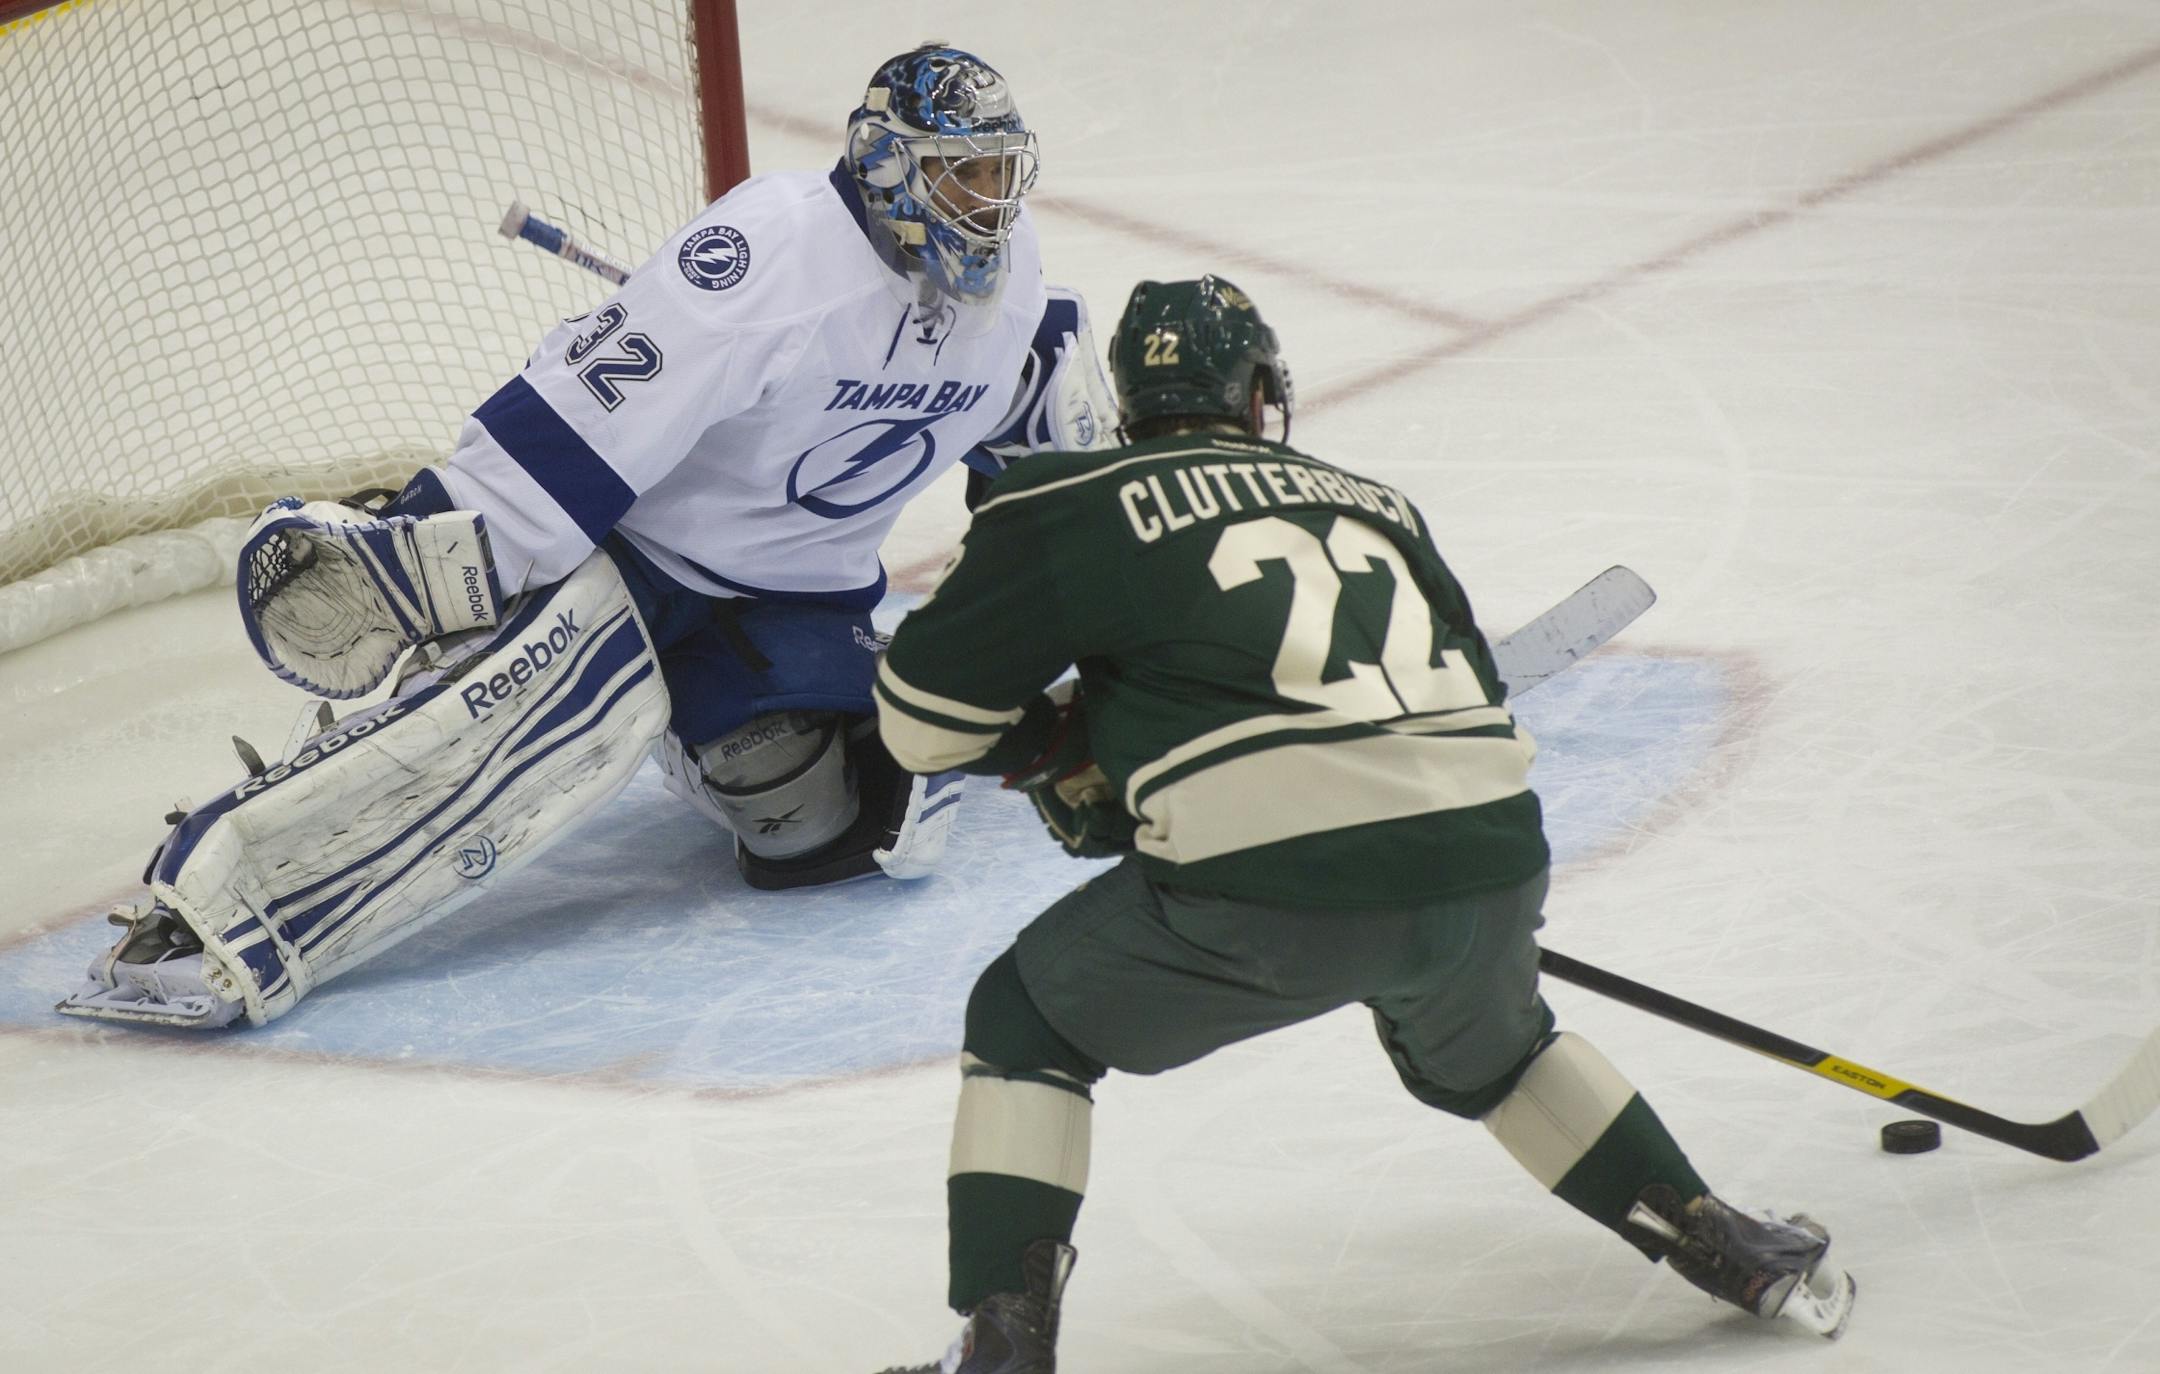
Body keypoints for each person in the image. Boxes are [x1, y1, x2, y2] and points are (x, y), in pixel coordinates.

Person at [870, 276, 1856, 1371]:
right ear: (1254, 393)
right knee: (1501, 1055)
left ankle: (1004, 1349)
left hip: (1268, 886)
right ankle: (1718, 1239)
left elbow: (919, 723)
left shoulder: (1068, 497)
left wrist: (1063, 749)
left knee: (1025, 1018)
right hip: (1489, 853)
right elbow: (1469, 688)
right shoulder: (1376, 500)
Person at [57, 43, 1117, 1030]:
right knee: (498, 731)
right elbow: (586, 415)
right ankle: (215, 913)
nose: (987, 204)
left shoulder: (1013, 289)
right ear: (888, 170)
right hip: (636, 564)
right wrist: (433, 553)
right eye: (957, 174)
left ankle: (687, 727)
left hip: (802, 599)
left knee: (818, 827)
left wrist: (1115, 644)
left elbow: (1050, 476)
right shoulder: (768, 251)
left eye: (996, 173)